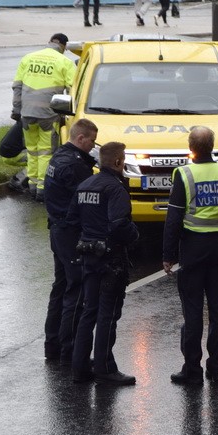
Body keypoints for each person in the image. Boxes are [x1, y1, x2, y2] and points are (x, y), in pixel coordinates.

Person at [163, 126, 218, 385]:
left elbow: (174, 217)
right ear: (212, 146)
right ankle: (217, 368)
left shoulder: (184, 174)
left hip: (193, 249)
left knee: (193, 310)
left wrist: (168, 254)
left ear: (191, 146)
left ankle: (192, 369)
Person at [69, 141, 140, 385]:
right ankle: (105, 368)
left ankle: (79, 368)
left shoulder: (85, 185)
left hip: (89, 255)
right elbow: (119, 223)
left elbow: (72, 219)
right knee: (108, 314)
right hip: (111, 259)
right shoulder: (115, 188)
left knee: (89, 311)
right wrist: (135, 235)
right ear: (119, 161)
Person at [42, 117, 98, 366]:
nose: (92, 147)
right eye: (91, 142)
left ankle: (53, 346)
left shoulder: (57, 157)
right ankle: (71, 351)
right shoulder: (75, 166)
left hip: (57, 229)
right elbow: (84, 203)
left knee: (61, 287)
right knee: (75, 292)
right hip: (70, 232)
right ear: (80, 138)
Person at [12, 33, 77, 201]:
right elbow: (73, 91)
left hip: (27, 114)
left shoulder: (28, 58)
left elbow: (17, 87)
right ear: (63, 46)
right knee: (46, 152)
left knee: (32, 151)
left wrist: (16, 110)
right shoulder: (65, 62)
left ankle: (32, 186)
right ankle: (42, 189)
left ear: (49, 42)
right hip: (48, 116)